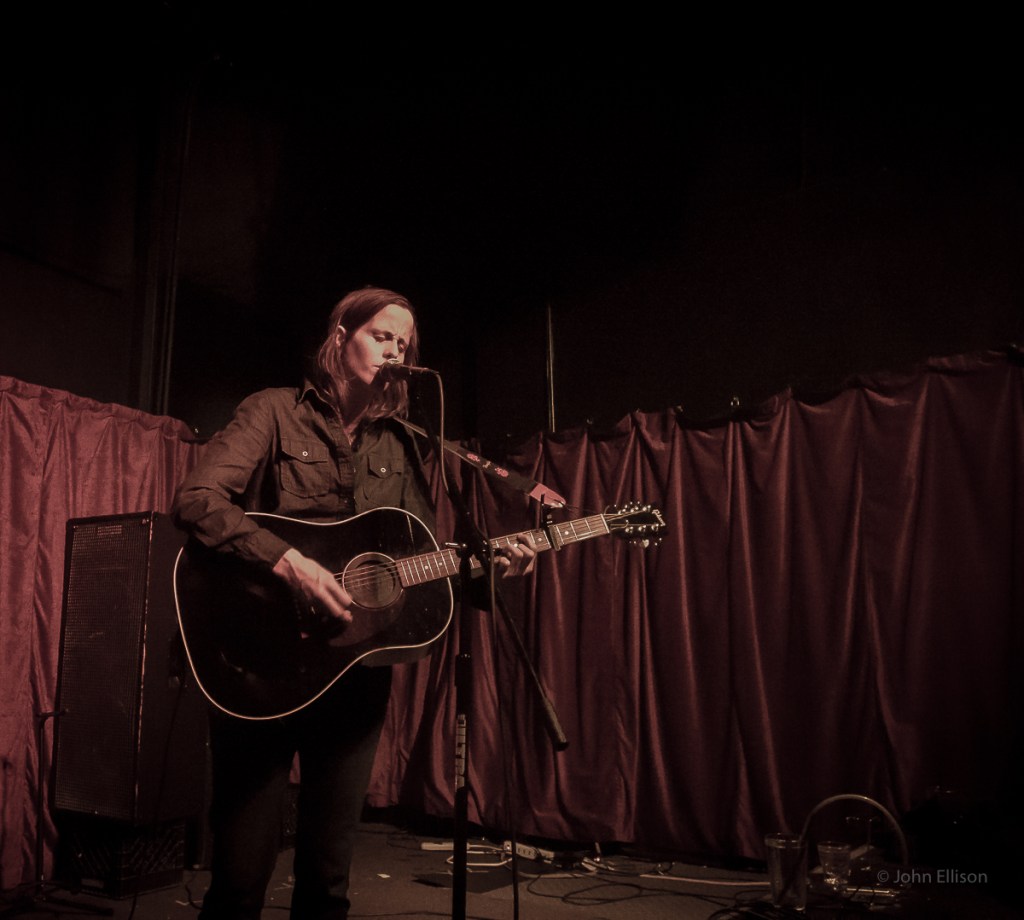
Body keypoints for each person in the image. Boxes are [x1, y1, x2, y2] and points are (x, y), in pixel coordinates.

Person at [172, 286, 536, 919]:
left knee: (329, 876)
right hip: (259, 661)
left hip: (354, 674)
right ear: (341, 337)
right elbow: (198, 500)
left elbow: (420, 558)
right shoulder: (274, 411)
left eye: (404, 342)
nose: (394, 349)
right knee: (240, 873)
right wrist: (288, 563)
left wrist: (489, 569)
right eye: (381, 335)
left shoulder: (401, 443)